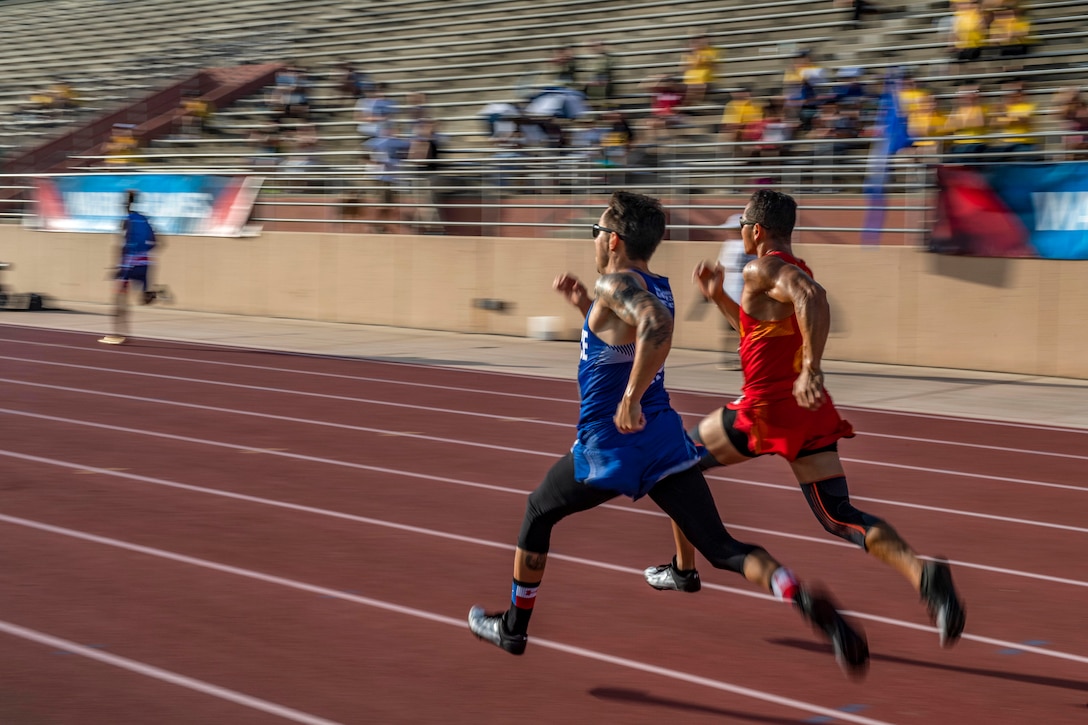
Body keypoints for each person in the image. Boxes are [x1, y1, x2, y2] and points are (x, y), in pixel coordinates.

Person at [468, 191, 869, 676]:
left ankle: (513, 627)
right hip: (662, 443)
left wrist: (631, 397)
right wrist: (584, 309)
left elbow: (654, 328)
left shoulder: (616, 284)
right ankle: (799, 596)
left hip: (610, 444)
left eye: (595, 232)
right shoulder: (655, 284)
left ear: (613, 240)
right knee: (721, 548)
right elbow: (621, 343)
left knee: (537, 511)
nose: (594, 240)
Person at [642, 189, 966, 648]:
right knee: (838, 516)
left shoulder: (763, 266)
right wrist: (718, 298)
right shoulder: (787, 269)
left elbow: (813, 297)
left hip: (764, 409)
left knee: (674, 466)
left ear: (755, 231)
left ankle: (684, 569)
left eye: (741, 228)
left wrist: (812, 365)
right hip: (804, 413)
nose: (740, 236)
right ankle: (923, 573)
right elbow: (761, 332)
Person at [99, 190, 169, 345]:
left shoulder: (125, 221)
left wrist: (117, 266)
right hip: (145, 263)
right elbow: (160, 242)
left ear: (125, 204)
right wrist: (144, 253)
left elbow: (120, 245)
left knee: (119, 300)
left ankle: (118, 334)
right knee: (143, 300)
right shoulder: (145, 219)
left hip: (128, 264)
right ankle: (157, 293)